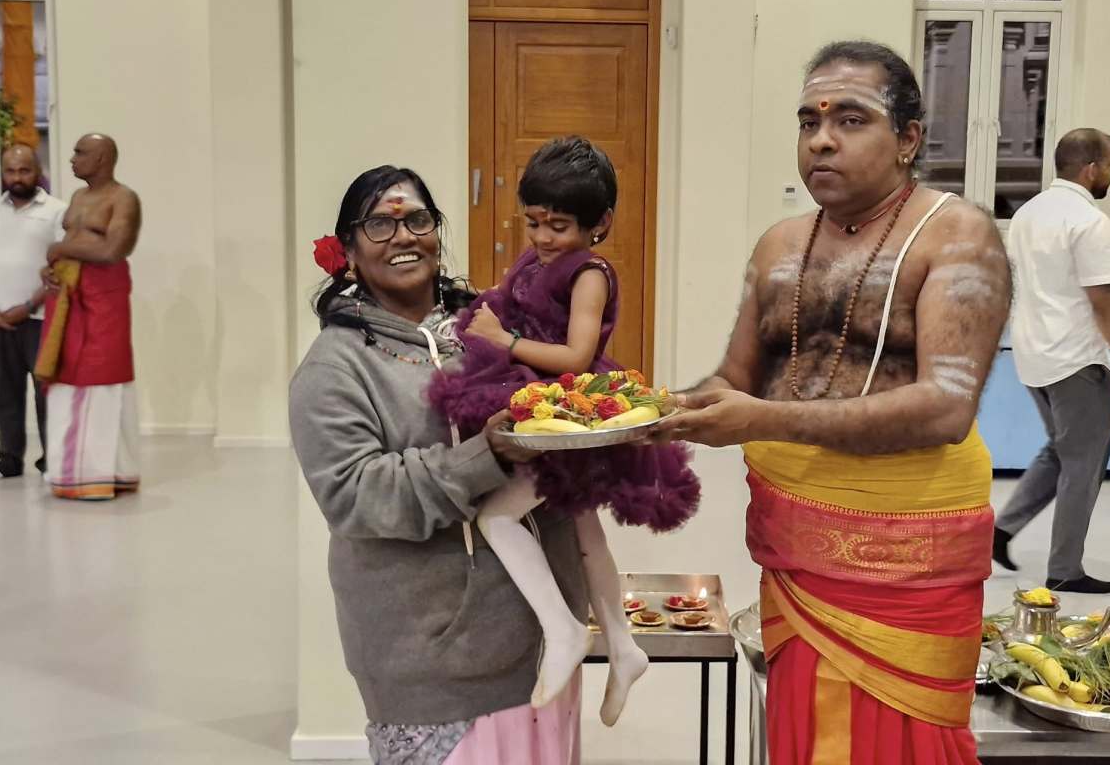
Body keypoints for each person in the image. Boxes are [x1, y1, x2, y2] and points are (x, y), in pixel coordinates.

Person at [654, 40, 1011, 764]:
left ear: (908, 139)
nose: (820, 139)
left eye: (851, 119)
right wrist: (641, 412)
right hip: (798, 552)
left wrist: (764, 420)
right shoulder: (779, 245)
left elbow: (945, 409)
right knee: (805, 732)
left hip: (906, 562)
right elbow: (735, 380)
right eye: (808, 121)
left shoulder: (957, 235)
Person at [290, 166, 587, 764]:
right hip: (436, 665)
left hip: (543, 644)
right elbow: (357, 497)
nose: (403, 236)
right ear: (347, 250)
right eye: (379, 225)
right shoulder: (334, 369)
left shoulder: (492, 326)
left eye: (418, 220)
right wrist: (486, 455)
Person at [428, 136, 699, 724]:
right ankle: (623, 645)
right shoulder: (536, 262)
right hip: (538, 396)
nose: (544, 237)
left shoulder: (590, 274)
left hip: (566, 408)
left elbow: (576, 355)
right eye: (534, 223)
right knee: (583, 529)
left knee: (497, 517)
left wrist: (504, 341)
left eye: (559, 226)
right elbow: (509, 302)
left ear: (600, 223)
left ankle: (564, 628)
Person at [989, 128, 1110, 594]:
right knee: (1084, 464)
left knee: (1062, 449)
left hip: (1032, 354)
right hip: (1076, 360)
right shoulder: (1090, 222)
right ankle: (1065, 569)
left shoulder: (1027, 214)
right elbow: (1103, 299)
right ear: (1091, 168)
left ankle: (1001, 530)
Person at [35, 134, 141, 501]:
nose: (72, 159)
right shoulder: (78, 197)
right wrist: (51, 267)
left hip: (103, 297)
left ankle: (103, 474)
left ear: (102, 158)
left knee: (102, 374)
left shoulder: (123, 198)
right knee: (65, 373)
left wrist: (58, 248)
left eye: (80, 153)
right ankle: (67, 471)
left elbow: (114, 249)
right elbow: (77, 248)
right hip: (67, 293)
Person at [0, 144, 67, 481]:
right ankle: (8, 461)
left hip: (41, 319)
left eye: (24, 170)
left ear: (37, 171)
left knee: (45, 393)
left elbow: (61, 270)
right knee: (6, 393)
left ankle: (51, 462)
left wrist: (27, 307)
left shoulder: (57, 211)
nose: (17, 177)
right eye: (10, 171)